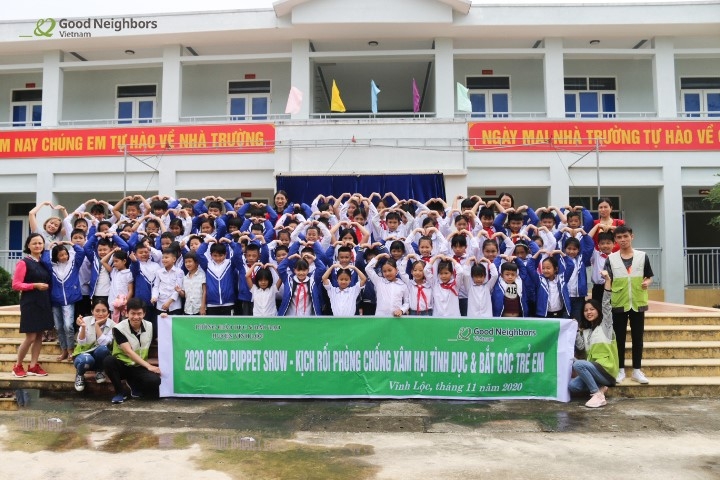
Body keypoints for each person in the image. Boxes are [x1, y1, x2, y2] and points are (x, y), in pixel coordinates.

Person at [604, 225, 653, 384]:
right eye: (619, 238)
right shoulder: (611, 258)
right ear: (615, 240)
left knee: (638, 338)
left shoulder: (642, 256)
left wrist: (647, 282)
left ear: (632, 236)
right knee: (619, 338)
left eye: (625, 236)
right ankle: (620, 370)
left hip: (638, 302)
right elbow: (607, 280)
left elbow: (649, 276)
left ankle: (637, 371)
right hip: (619, 302)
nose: (623, 240)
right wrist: (605, 278)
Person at [570, 270, 618, 408]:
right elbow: (580, 347)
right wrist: (572, 329)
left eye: (592, 309)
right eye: (586, 310)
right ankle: (601, 388)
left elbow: (607, 306)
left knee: (579, 365)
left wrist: (608, 281)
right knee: (573, 386)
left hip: (607, 370)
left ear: (598, 310)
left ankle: (596, 394)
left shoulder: (606, 326)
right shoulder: (585, 331)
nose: (588, 312)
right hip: (594, 371)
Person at [103, 298, 161, 404]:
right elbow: (128, 351)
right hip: (123, 365)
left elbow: (161, 339)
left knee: (155, 381)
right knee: (108, 361)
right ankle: (120, 392)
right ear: (126, 313)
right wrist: (149, 366)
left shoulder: (150, 326)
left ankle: (134, 383)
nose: (136, 317)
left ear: (144, 314)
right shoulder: (118, 328)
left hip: (139, 366)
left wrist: (164, 319)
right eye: (132, 313)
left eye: (139, 314)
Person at [11, 234, 53, 377]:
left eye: (40, 243)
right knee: (30, 337)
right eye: (34, 243)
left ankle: (33, 366)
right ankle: (17, 365)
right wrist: (34, 285)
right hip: (30, 302)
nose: (37, 246)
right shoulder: (24, 262)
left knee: (39, 336)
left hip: (43, 301)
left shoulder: (43, 262)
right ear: (28, 246)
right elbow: (16, 285)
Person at [73, 299, 115, 392]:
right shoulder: (85, 320)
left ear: (108, 312)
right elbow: (82, 342)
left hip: (100, 356)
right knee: (86, 359)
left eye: (104, 311)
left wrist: (96, 326)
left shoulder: (113, 325)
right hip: (83, 355)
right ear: (92, 311)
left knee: (103, 350)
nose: (100, 314)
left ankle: (100, 370)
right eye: (97, 311)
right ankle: (80, 374)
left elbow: (105, 343)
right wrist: (83, 327)